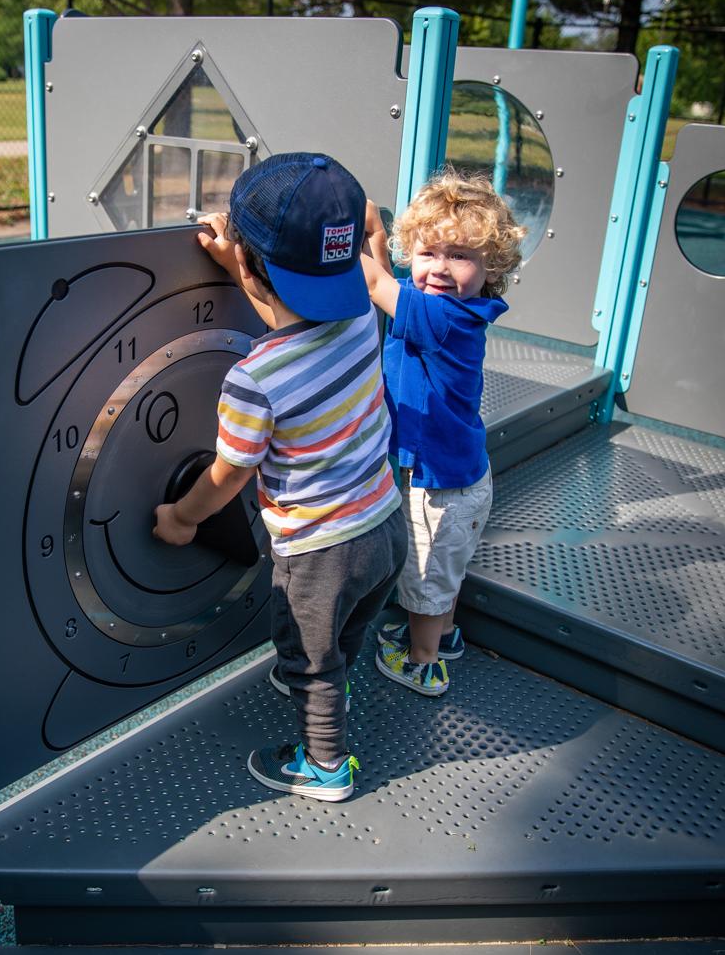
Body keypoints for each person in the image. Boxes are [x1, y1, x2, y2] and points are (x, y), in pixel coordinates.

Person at [154, 152, 406, 803]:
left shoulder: (254, 379)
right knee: (348, 632)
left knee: (307, 659)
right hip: (385, 524)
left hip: (320, 553)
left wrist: (182, 517)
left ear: (248, 264)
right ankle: (338, 679)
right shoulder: (358, 319)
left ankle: (325, 767)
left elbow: (227, 476)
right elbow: (295, 316)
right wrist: (238, 267)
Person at [356, 170, 526, 696]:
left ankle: (423, 661)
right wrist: (376, 236)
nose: (440, 269)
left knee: (427, 577)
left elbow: (374, 283)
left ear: (489, 268)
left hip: (440, 488)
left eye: (460, 256)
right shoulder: (443, 305)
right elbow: (391, 279)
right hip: (458, 476)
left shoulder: (446, 318)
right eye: (429, 253)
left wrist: (334, 227)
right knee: (444, 573)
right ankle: (444, 635)